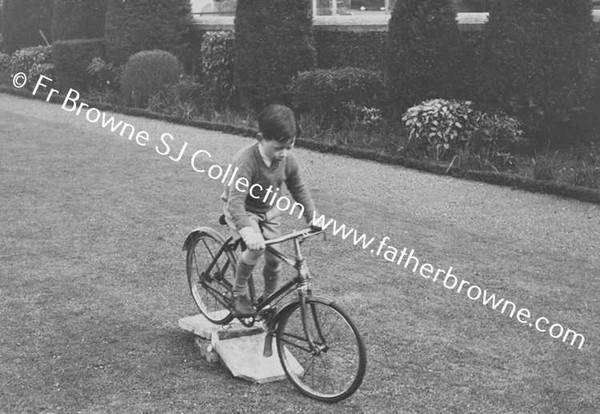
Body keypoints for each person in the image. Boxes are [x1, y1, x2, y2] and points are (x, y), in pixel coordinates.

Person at [221, 104, 317, 317]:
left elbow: (298, 188)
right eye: (278, 148)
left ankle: (267, 302)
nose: (284, 153)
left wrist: (312, 217)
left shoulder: (288, 160)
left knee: (275, 260)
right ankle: (237, 294)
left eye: (289, 147)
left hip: (269, 210)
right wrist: (247, 231)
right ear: (260, 138)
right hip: (244, 210)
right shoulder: (246, 161)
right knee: (256, 248)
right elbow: (235, 201)